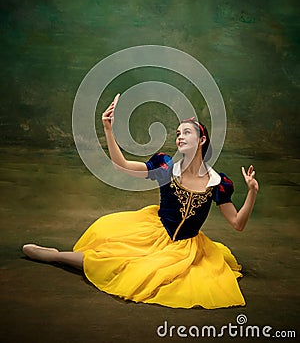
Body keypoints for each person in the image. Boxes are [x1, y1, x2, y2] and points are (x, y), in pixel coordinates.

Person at [22, 93, 259, 309]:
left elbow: (238, 223)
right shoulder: (165, 166)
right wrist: (108, 129)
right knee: (114, 257)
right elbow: (122, 165)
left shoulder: (218, 182)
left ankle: (58, 256)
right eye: (177, 133)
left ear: (201, 139)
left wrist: (252, 192)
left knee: (149, 272)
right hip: (153, 233)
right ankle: (56, 255)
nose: (180, 137)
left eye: (186, 132)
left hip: (186, 247)